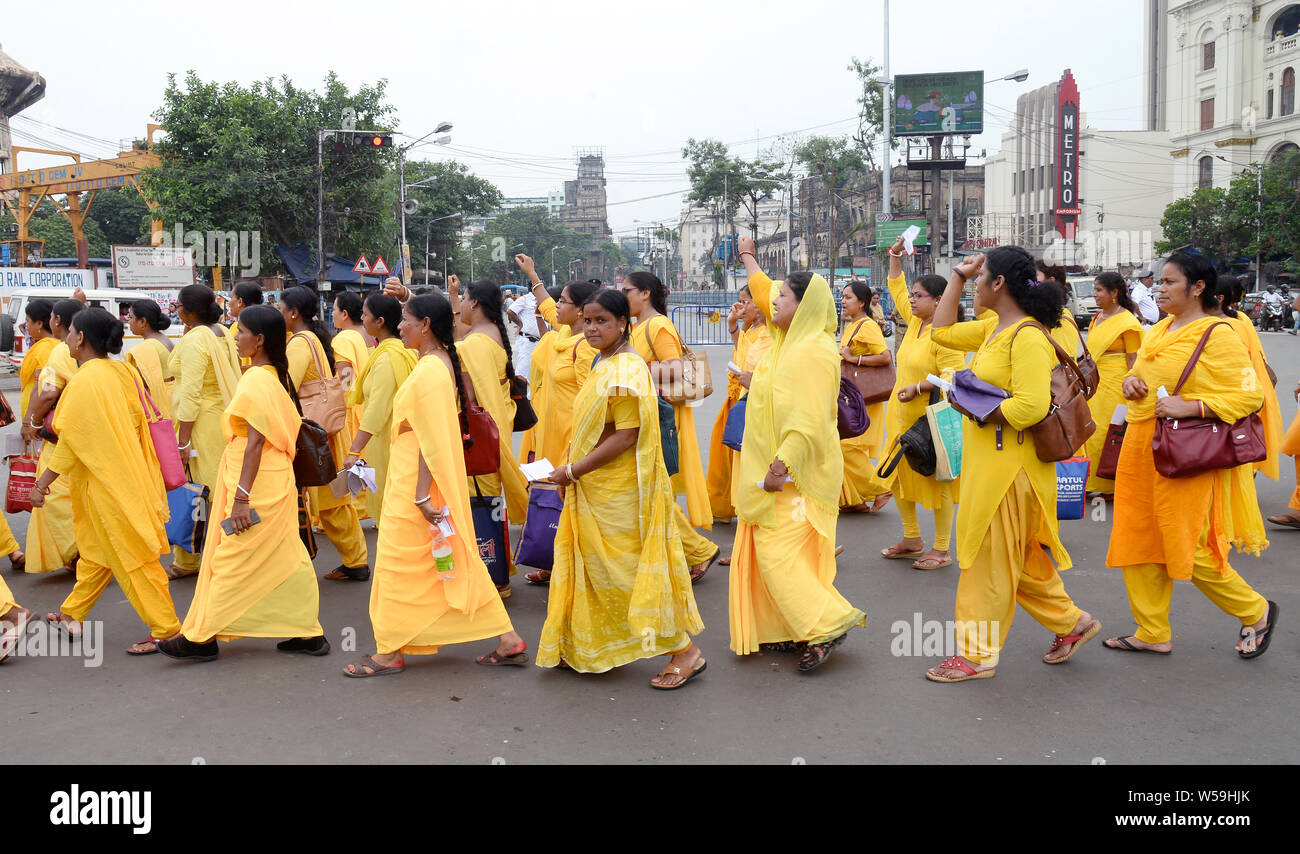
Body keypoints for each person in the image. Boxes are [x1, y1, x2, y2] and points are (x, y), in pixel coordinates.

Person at [925, 247, 1100, 683]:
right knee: (1018, 560)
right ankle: (1071, 623)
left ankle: (976, 655)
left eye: (981, 276)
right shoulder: (994, 329)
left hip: (1011, 473)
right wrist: (957, 277)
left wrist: (970, 404)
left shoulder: (1027, 337)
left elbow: (1029, 409)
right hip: (995, 466)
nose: (977, 283)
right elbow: (941, 331)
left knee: (986, 564)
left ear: (999, 284)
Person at [344, 294, 527, 677]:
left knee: (398, 562)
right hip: (418, 476)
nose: (399, 327)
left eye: (406, 320)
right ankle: (506, 638)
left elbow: (429, 437)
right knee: (448, 559)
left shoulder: (430, 369)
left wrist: (422, 494)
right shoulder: (439, 362)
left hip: (416, 480)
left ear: (425, 324)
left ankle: (389, 651)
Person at [1104, 251, 1276, 658]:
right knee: (1138, 537)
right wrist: (1131, 384)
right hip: (1141, 443)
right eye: (1158, 283)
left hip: (1186, 451)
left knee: (1188, 545)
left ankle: (1255, 610)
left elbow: (1250, 395)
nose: (1158, 289)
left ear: (1198, 288)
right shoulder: (1162, 328)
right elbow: (1143, 373)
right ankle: (1151, 630)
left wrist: (1193, 406)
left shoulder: (1219, 333)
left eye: (1168, 282)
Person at [537, 288, 705, 687]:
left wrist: (574, 471)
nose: (593, 328)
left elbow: (626, 435)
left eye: (602, 321)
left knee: (623, 573)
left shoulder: (626, 369)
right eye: (589, 320)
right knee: (591, 569)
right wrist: (573, 470)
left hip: (620, 491)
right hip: (594, 484)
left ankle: (685, 651)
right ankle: (589, 644)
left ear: (622, 324)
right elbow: (600, 426)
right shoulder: (603, 361)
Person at [158, 305, 329, 662]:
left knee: (231, 557)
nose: (236, 338)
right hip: (273, 478)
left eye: (242, 332)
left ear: (260, 340)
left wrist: (241, 499)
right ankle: (307, 631)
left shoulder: (256, 378)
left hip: (255, 482)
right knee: (288, 555)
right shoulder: (272, 376)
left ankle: (201, 638)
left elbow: (254, 443)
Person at [732, 238, 865, 672]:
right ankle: (794, 628)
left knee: (778, 554)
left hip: (794, 474)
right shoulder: (785, 338)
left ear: (804, 305)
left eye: (784, 297)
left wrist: (779, 466)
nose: (773, 301)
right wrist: (748, 256)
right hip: (775, 470)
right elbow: (763, 286)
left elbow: (807, 420)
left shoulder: (811, 351)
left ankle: (826, 623)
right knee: (783, 556)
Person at [32, 307, 182, 655]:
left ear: (81, 338)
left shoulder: (85, 381)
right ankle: (72, 613)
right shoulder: (121, 372)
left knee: (134, 559)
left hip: (109, 485)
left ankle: (167, 630)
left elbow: (70, 444)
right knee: (99, 554)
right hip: (128, 475)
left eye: (70, 332)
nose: (67, 338)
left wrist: (42, 485)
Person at [622, 271, 721, 583]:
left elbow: (676, 368)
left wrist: (633, 372)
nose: (623, 296)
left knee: (654, 490)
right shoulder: (638, 327)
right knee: (650, 491)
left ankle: (697, 550)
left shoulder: (658, 325)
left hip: (663, 419)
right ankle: (683, 551)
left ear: (645, 294)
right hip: (646, 416)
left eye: (627, 290)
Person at [880, 237, 966, 570]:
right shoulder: (916, 322)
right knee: (901, 475)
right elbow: (897, 289)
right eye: (913, 296)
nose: (912, 301)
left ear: (940, 300)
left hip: (931, 422)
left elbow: (953, 374)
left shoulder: (947, 333)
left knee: (937, 480)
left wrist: (918, 386)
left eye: (920, 296)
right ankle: (912, 538)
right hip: (901, 418)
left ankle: (942, 549)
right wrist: (895, 256)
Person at [281, 285, 370, 579]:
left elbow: (287, 385)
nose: (279, 314)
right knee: (334, 499)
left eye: (281, 309)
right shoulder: (312, 339)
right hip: (325, 426)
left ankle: (356, 562)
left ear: (293, 313)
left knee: (331, 501)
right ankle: (355, 560)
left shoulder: (299, 343)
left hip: (315, 432)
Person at [451, 277, 530, 596]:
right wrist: (454, 295)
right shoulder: (489, 334)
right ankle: (498, 569)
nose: (461, 304)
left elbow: (471, 395)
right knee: (491, 505)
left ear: (475, 304)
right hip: (495, 430)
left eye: (465, 298)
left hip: (479, 438)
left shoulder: (475, 344)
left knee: (482, 506)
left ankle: (495, 575)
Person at [168, 285, 240, 580]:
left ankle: (213, 558)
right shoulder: (219, 332)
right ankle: (194, 557)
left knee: (201, 491)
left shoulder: (197, 338)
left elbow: (192, 393)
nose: (175, 309)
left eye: (178, 305)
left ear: (187, 311)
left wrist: (183, 440)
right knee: (208, 490)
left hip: (200, 425)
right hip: (217, 419)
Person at [1209, 276, 1280, 556]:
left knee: (1232, 461)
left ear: (1220, 298)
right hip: (1235, 396)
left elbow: (1248, 361)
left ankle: (1225, 523)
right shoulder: (1235, 320)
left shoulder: (1232, 325)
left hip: (1233, 398)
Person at [339, 293, 416, 529]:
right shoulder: (393, 351)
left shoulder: (387, 358)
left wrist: (354, 450)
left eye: (365, 314)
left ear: (380, 321)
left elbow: (376, 411)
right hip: (393, 438)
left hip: (389, 442)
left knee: (392, 508)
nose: (362, 318)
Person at [20, 299, 85, 575]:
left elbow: (46, 391)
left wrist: (32, 421)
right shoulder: (85, 349)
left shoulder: (59, 351)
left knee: (52, 496)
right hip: (83, 431)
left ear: (57, 321)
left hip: (60, 434)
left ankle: (79, 553)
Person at [1080, 273, 1144, 498]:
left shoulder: (1128, 322)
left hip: (1117, 384)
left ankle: (1110, 485)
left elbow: (1133, 361)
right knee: (1090, 430)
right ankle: (1091, 482)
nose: (1094, 295)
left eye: (1099, 290)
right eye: (1094, 290)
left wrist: (1132, 387)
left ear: (1114, 293)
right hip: (1095, 382)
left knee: (1109, 432)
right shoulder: (1098, 317)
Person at [838, 279, 894, 514]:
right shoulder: (852, 324)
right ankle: (853, 499)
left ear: (861, 303)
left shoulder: (868, 326)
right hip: (851, 397)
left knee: (847, 447)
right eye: (842, 296)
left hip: (864, 399)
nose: (843, 301)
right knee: (844, 446)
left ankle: (878, 488)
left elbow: (885, 357)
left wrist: (854, 359)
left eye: (848, 297)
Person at [706, 286, 759, 524]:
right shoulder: (751, 329)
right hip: (736, 398)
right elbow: (740, 349)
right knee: (723, 456)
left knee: (741, 458)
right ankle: (723, 506)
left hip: (750, 400)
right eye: (739, 301)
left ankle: (742, 511)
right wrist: (732, 325)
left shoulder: (768, 334)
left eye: (745, 302)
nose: (740, 307)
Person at [330, 290, 374, 520]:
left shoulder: (342, 339)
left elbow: (345, 378)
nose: (332, 314)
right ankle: (370, 508)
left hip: (349, 406)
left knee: (349, 459)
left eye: (335, 310)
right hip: (365, 403)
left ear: (344, 313)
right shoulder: (364, 334)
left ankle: (352, 512)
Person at [518, 284, 565, 466]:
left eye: (563, 302)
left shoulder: (572, 341)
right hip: (540, 406)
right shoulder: (555, 337)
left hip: (555, 413)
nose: (559, 306)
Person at [124, 299, 175, 421]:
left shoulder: (147, 347)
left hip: (160, 403)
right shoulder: (163, 339)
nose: (128, 322)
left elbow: (140, 383)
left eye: (131, 317)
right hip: (173, 398)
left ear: (142, 321)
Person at [1034, 260, 1083, 356]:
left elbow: (1063, 364)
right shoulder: (1045, 313)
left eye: (1036, 275)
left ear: (1051, 280)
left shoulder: (1061, 318)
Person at [507, 287, 540, 397]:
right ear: (533, 287)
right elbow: (510, 311)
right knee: (522, 374)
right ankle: (520, 401)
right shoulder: (525, 300)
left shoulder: (544, 300)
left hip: (541, 342)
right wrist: (520, 324)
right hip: (528, 342)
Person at [225, 280, 263, 371]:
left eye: (231, 298)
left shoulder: (237, 327)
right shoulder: (263, 323)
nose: (229, 302)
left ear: (240, 301)